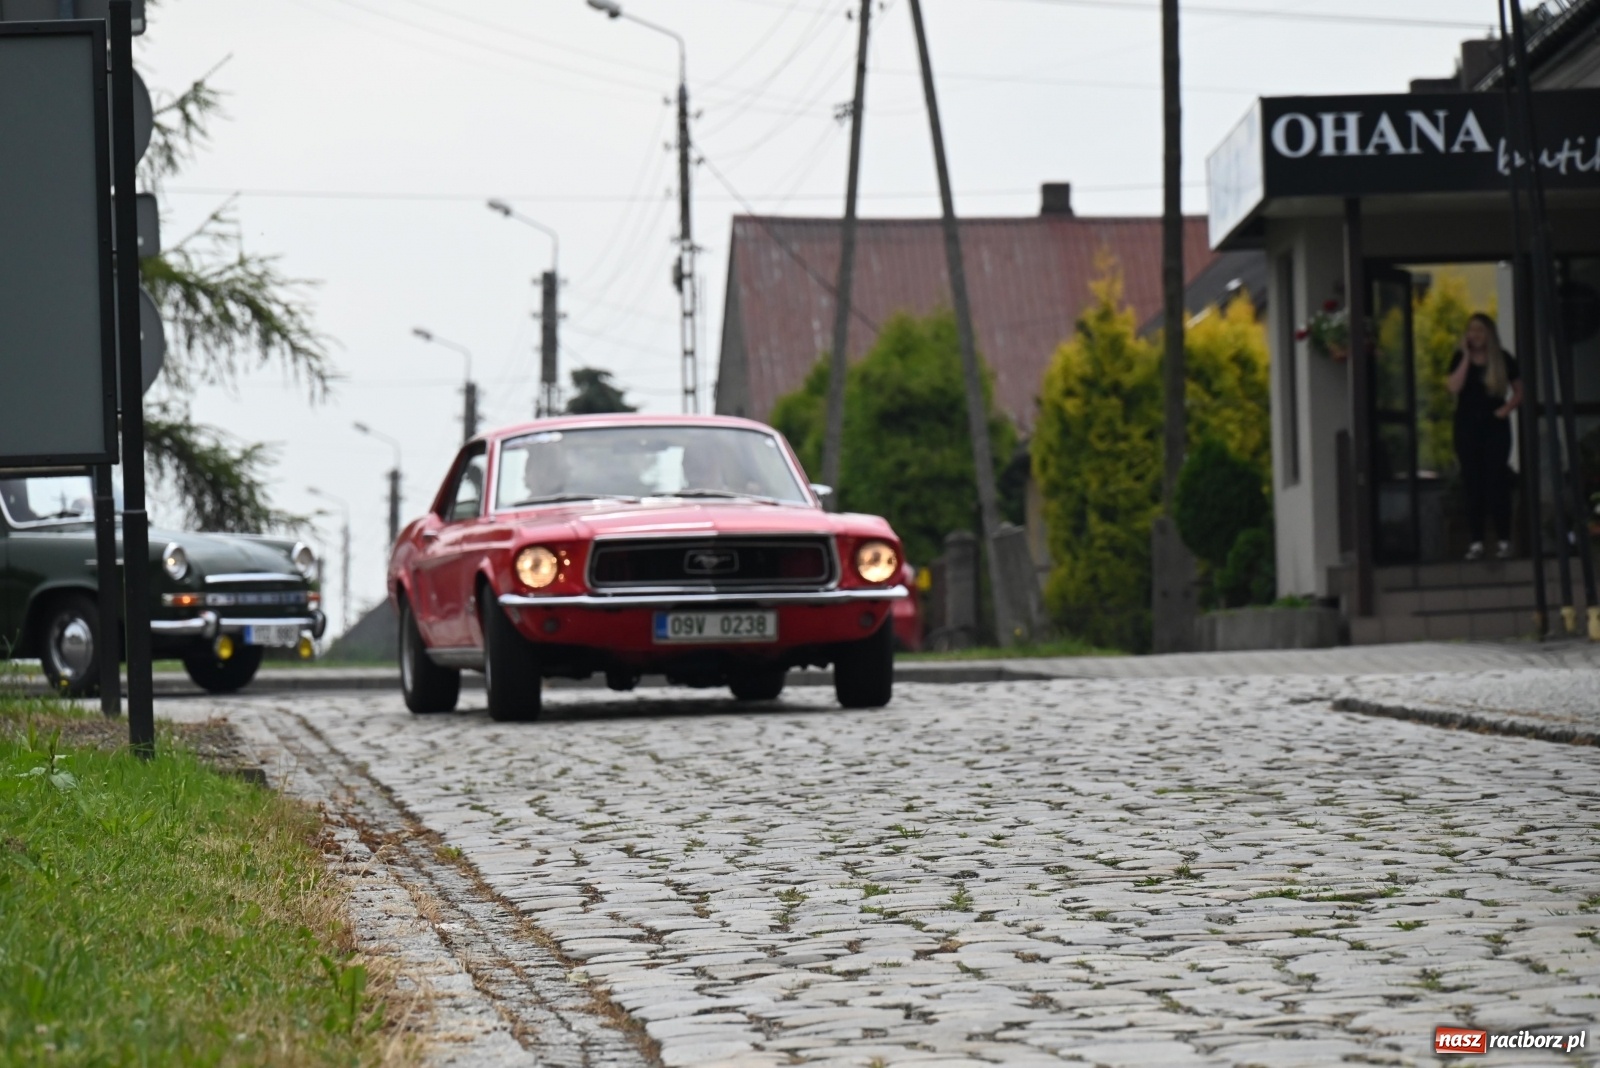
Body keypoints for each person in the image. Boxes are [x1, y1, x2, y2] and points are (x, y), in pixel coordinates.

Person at [1447, 312, 1522, 560]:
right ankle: (1476, 541)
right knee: (1472, 483)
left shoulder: (1503, 359)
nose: (1474, 335)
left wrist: (1504, 410)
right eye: (1471, 330)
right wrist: (1467, 357)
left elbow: (1520, 391)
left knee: (1496, 481)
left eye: (1479, 330)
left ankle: (1503, 540)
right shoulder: (1460, 358)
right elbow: (1453, 387)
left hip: (1494, 426)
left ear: (1488, 333)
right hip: (1467, 425)